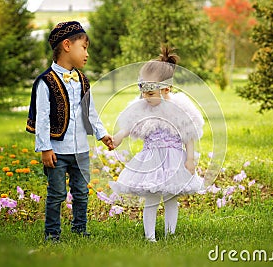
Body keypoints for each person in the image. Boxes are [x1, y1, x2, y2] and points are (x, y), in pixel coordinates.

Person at [26, 21, 113, 242]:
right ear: (67, 45)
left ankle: (80, 229)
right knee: (56, 194)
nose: (87, 54)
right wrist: (45, 149)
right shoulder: (45, 82)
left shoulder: (83, 81)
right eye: (84, 48)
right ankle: (52, 233)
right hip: (57, 150)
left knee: (82, 192)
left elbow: (90, 112)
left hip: (81, 150)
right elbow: (42, 119)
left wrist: (102, 134)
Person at [109, 46, 205, 242]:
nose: (146, 97)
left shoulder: (180, 108)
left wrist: (190, 159)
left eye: (151, 94)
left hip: (174, 160)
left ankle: (171, 234)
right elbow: (130, 125)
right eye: (143, 93)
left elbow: (189, 135)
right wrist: (118, 137)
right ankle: (150, 236)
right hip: (151, 159)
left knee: (171, 197)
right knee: (151, 197)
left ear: (166, 89)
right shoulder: (143, 107)